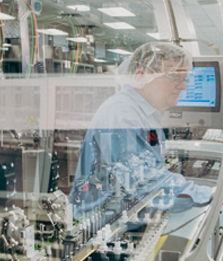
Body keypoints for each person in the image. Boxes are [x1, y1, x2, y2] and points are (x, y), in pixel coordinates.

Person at [69, 42, 212, 219]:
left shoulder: (147, 112)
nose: (183, 87)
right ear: (141, 76)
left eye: (185, 79)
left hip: (125, 215)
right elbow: (146, 181)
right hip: (97, 227)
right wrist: (210, 195)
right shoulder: (122, 113)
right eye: (175, 78)